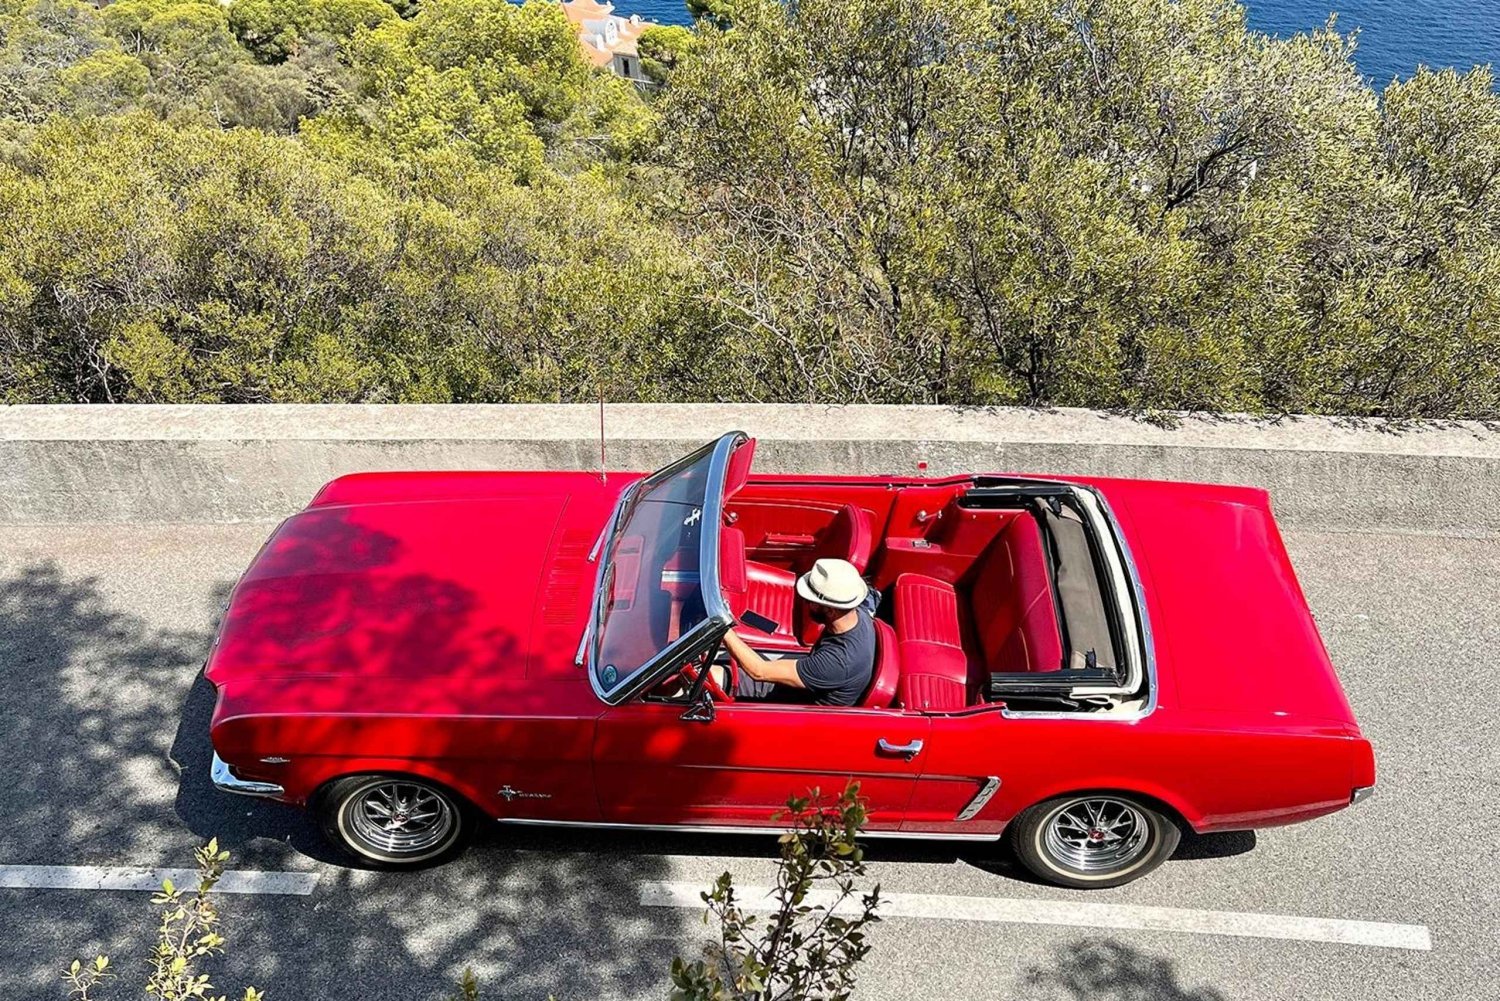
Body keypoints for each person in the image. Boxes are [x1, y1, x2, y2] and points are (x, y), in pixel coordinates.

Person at [719, 558, 876, 706]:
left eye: (811, 601)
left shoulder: (837, 662)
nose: (806, 604)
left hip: (791, 702)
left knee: (711, 676)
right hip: (808, 675)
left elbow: (759, 671)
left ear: (830, 610)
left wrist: (722, 625)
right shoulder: (857, 613)